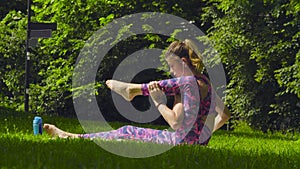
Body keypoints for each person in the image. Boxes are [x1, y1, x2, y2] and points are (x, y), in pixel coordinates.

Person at [43, 39, 230, 146]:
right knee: (129, 130)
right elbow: (225, 115)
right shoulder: (206, 84)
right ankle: (132, 90)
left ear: (183, 61)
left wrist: (158, 102)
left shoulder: (189, 83)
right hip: (191, 145)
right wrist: (201, 136)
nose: (172, 72)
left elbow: (174, 122)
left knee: (127, 131)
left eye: (173, 66)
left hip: (178, 144)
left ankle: (132, 90)